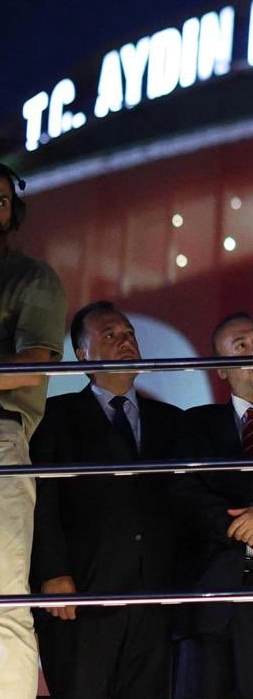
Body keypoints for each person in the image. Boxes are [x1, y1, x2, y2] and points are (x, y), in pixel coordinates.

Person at [30, 302, 183, 699]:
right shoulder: (54, 416)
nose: (125, 341)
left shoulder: (171, 420)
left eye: (129, 333)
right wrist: (52, 571)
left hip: (155, 598)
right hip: (82, 593)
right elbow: (42, 499)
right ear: (82, 355)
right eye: (110, 335)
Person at [170, 313, 253, 699]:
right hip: (211, 594)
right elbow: (184, 492)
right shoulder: (195, 423)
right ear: (221, 368)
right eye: (241, 346)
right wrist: (242, 526)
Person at [0, 163, 65, 699]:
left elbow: (33, 366)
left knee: (4, 600)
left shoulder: (30, 276)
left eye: (0, 200)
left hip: (0, 435)